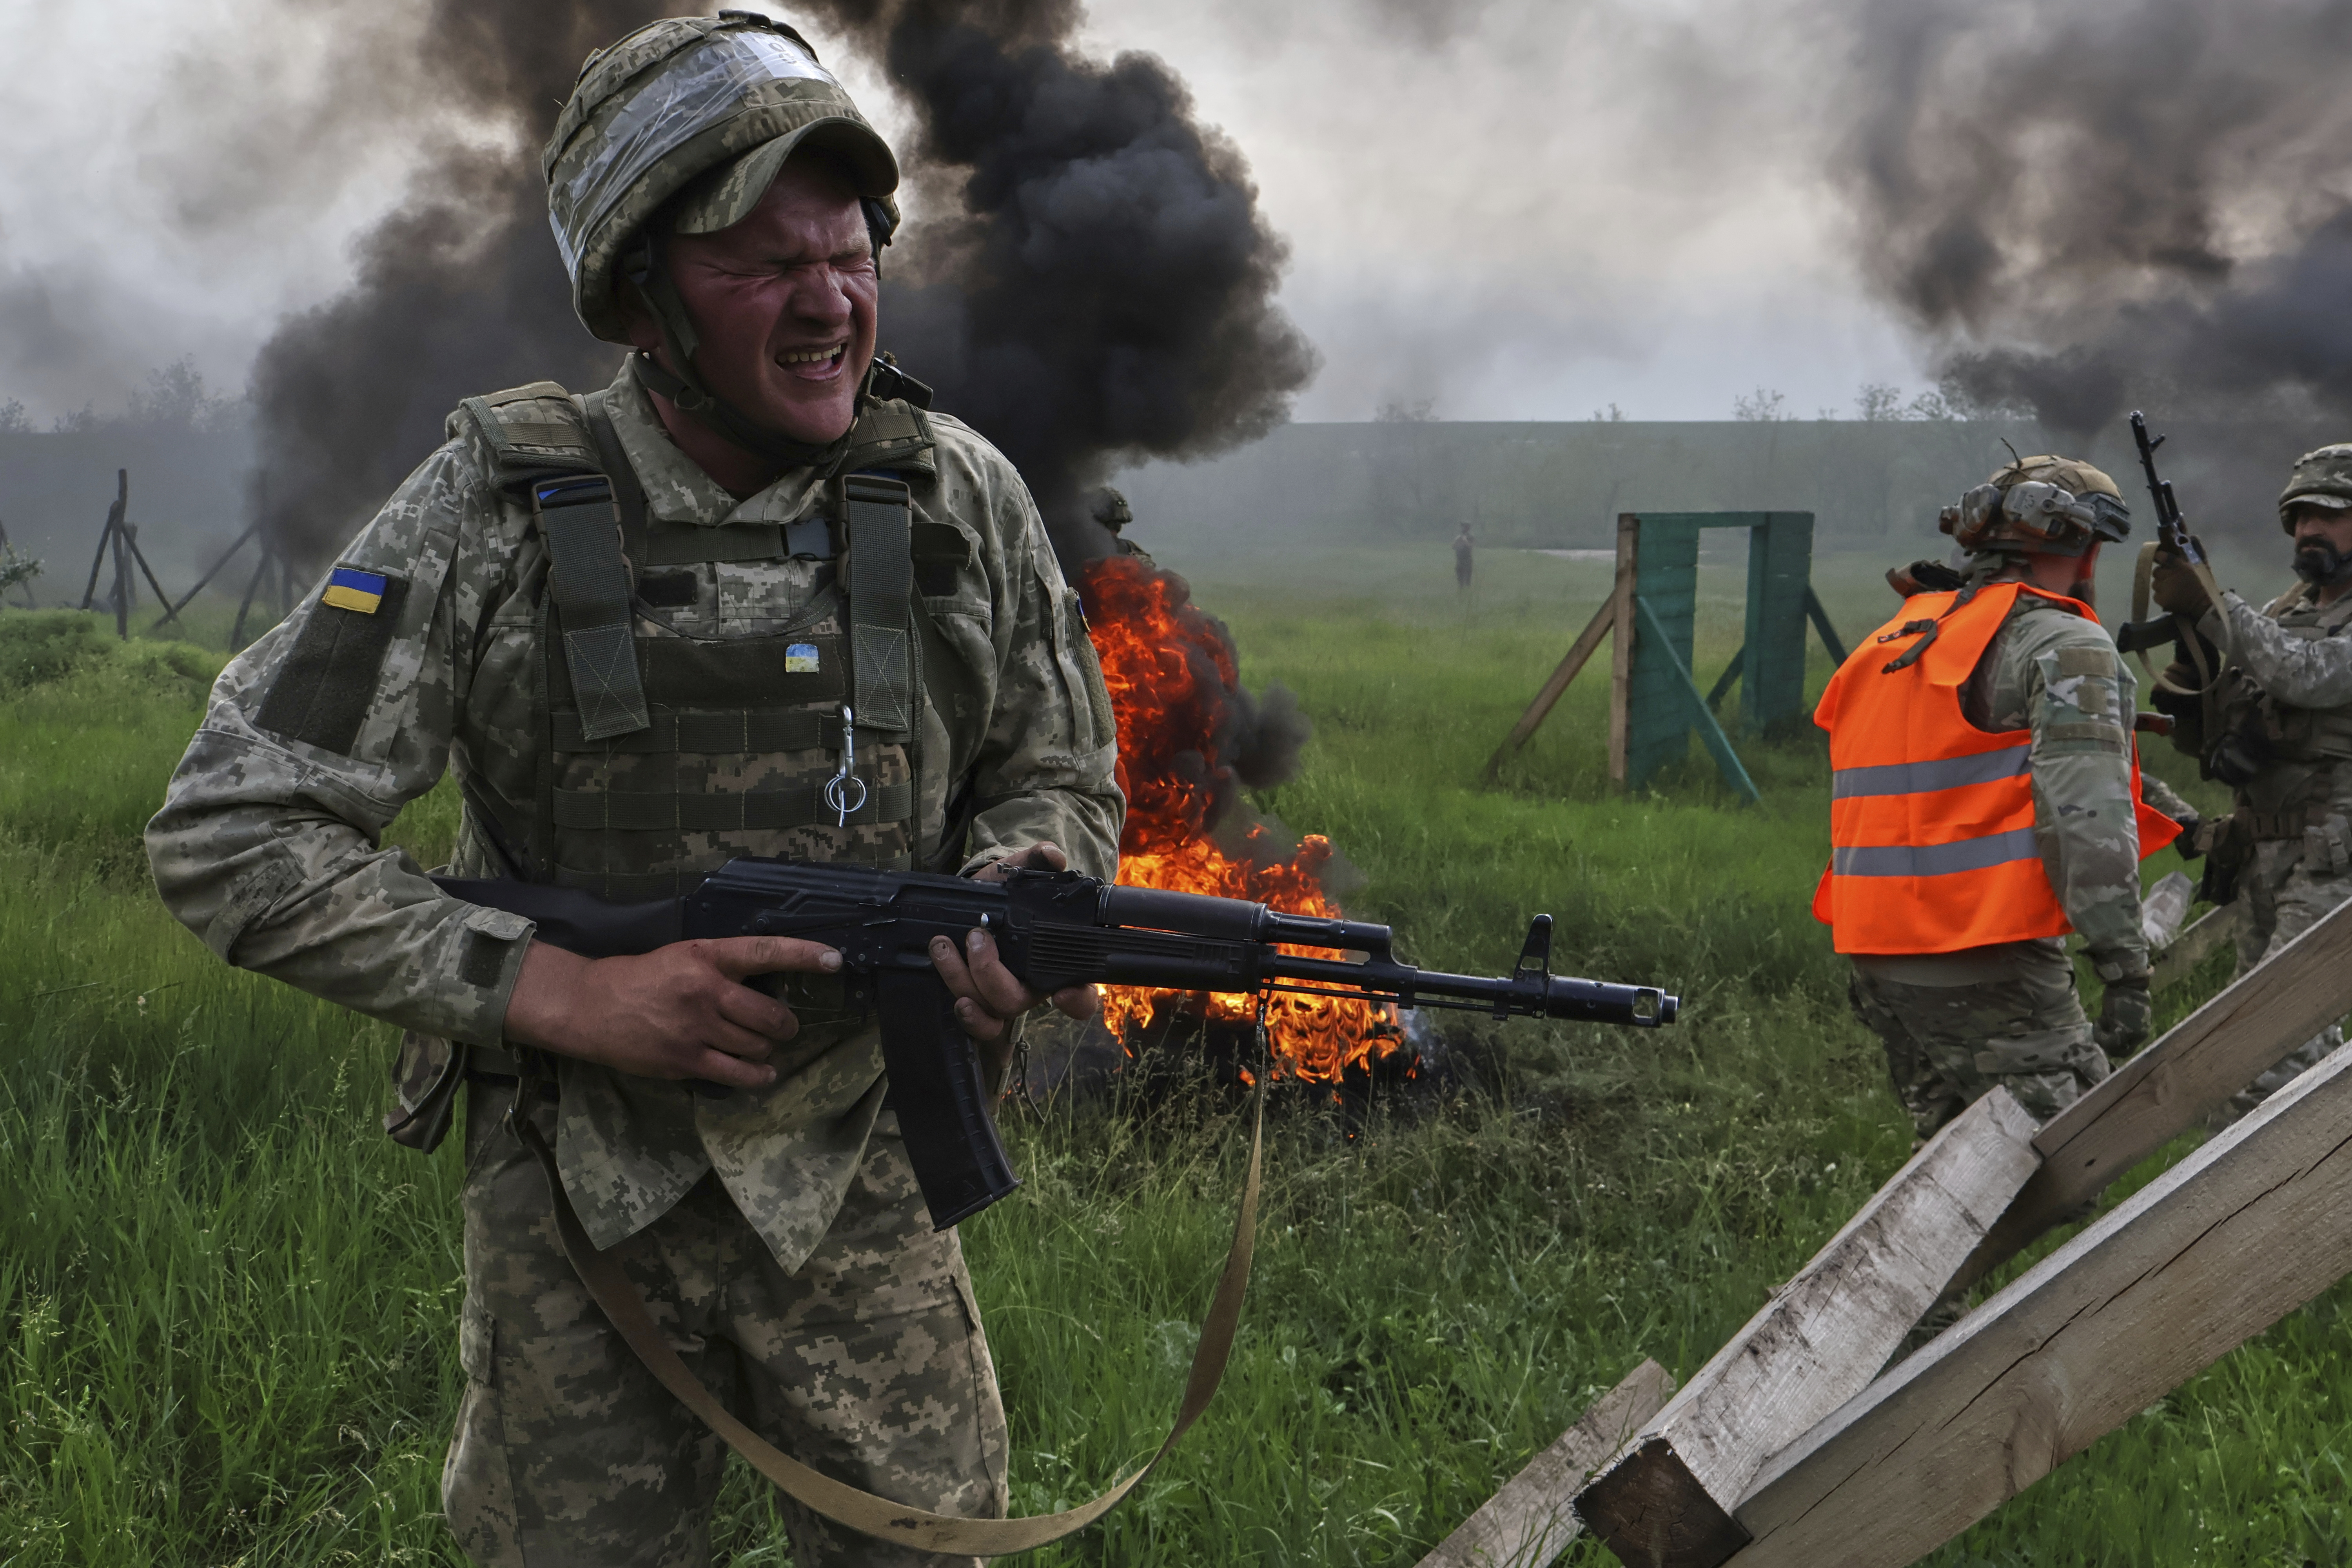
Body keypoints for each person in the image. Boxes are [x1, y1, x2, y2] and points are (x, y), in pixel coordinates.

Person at [144, 15, 1123, 1568]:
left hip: (864, 1181)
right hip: (580, 1200)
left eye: (852, 248)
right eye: (761, 261)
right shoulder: (495, 509)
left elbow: (1057, 760)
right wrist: (555, 989)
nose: (831, 300)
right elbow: (228, 826)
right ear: (645, 293)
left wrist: (1025, 872)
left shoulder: (958, 494)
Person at [1816, 456, 2180, 1142]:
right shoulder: (2066, 644)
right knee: (2073, 1167)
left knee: (1953, 1175)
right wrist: (2126, 968)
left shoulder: (1894, 640)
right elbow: (2084, 822)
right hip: (1986, 955)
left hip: (1875, 953)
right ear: (2089, 552)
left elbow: (1955, 773)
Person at [2151, 441, 2352, 1120]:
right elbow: (2257, 695)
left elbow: (2309, 675)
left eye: (2327, 515)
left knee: (2272, 1056)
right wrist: (2196, 674)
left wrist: (2215, 607)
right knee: (2270, 1043)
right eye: (2297, 517)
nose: (2307, 531)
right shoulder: (2290, 607)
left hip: (2338, 864)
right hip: (2271, 855)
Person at [1454, 521, 1475, 593]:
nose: (1462, 528)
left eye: (1464, 527)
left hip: (1467, 560)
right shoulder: (1459, 537)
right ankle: (1461, 591)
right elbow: (1453, 547)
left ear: (1467, 528)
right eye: (1462, 527)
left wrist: (1465, 540)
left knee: (1468, 578)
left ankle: (1468, 592)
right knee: (1460, 577)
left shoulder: (1470, 537)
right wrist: (1457, 540)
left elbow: (1471, 546)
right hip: (1460, 560)